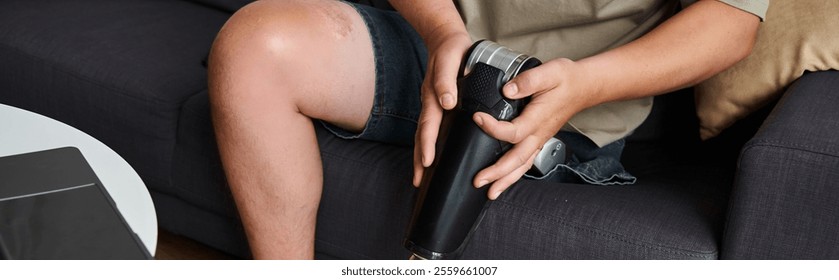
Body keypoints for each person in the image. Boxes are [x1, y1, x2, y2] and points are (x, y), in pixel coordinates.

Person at [207, 0, 767, 259]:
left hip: (576, 94)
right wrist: (440, 30)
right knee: (256, 46)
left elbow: (731, 23)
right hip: (441, 42)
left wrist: (586, 85)